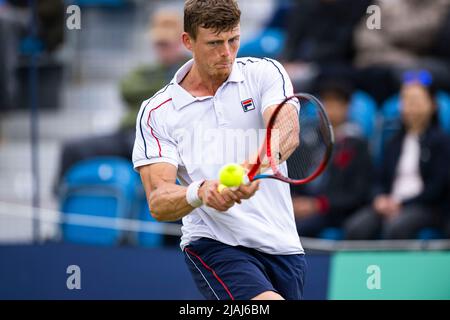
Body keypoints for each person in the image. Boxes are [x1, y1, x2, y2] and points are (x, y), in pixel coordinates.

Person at [133, 0, 306, 300]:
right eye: (214, 43)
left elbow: (286, 133)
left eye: (233, 40)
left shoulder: (265, 73)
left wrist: (251, 169)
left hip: (284, 245)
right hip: (215, 244)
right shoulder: (157, 112)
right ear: (187, 41)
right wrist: (200, 192)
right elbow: (158, 199)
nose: (226, 53)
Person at [55, 9, 188, 189]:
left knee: (148, 156)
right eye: (159, 44)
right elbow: (126, 89)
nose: (162, 49)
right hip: (128, 132)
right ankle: (64, 202)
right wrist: (162, 86)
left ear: (181, 42)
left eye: (167, 43)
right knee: (71, 149)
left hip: (158, 137)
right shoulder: (147, 70)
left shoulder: (188, 70)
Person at [344, 71, 450, 240]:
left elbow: (437, 187)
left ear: (433, 104)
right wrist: (379, 198)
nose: (409, 107)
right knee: (356, 227)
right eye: (405, 100)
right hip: (390, 203)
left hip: (425, 207)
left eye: (415, 101)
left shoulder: (442, 142)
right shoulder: (393, 141)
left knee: (397, 228)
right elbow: (378, 179)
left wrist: (402, 204)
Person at [292, 81, 372, 238]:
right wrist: (294, 201)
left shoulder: (358, 144)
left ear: (347, 107)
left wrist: (320, 204)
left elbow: (358, 192)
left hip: (334, 212)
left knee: (299, 228)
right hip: (304, 204)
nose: (331, 109)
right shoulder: (307, 139)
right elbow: (293, 174)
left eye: (337, 104)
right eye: (327, 102)